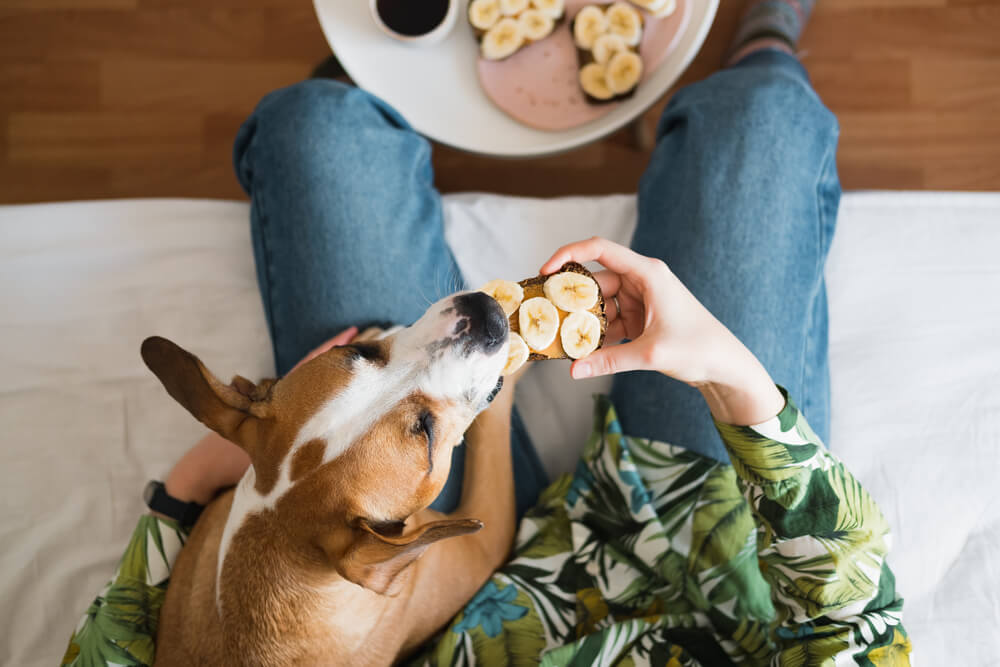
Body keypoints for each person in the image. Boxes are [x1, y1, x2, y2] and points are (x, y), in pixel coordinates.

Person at [63, 1, 913, 664]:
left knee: (313, 127)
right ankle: (764, 38)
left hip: (445, 577)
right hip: (712, 535)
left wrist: (184, 492)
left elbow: (104, 654)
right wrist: (734, 377)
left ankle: (387, 68)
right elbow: (860, 629)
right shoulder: (378, 547)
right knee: (756, 119)